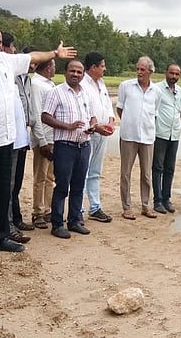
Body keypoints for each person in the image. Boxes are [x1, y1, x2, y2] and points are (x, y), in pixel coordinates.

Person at [0, 25, 76, 260]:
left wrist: (54, 54)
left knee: (2, 193)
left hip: (5, 141)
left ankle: (0, 237)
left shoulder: (6, 63)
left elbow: (32, 57)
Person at [41, 60, 103, 238]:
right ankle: (57, 224)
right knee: (62, 186)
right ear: (65, 72)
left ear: (83, 74)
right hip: (65, 146)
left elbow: (92, 116)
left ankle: (75, 220)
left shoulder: (86, 93)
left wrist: (93, 125)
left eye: (79, 72)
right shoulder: (56, 92)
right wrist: (67, 126)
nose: (75, 74)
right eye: (72, 71)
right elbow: (45, 116)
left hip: (84, 145)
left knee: (78, 185)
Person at [117, 56, 161, 220]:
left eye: (143, 70)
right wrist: (130, 122)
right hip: (128, 136)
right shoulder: (126, 86)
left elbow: (154, 114)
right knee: (126, 173)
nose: (139, 72)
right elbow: (120, 109)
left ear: (151, 71)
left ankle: (145, 205)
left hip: (148, 137)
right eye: (138, 69)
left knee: (146, 174)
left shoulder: (156, 91)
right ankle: (126, 206)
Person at [82, 52, 116, 223]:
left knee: (95, 171)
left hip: (103, 132)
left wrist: (110, 121)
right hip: (89, 133)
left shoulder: (101, 83)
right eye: (102, 66)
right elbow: (84, 108)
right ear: (93, 67)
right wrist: (96, 126)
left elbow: (108, 106)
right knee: (83, 171)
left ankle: (95, 207)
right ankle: (78, 209)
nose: (104, 68)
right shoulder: (82, 84)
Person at [7, 35, 36, 232]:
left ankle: (15, 217)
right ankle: (7, 222)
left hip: (22, 136)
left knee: (16, 182)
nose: (33, 65)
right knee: (7, 184)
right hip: (9, 138)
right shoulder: (11, 77)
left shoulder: (27, 81)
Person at [152, 63, 181, 214]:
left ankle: (166, 198)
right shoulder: (156, 89)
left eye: (177, 74)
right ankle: (157, 200)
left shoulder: (180, 91)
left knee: (170, 168)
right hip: (160, 134)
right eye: (171, 73)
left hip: (175, 134)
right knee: (157, 167)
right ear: (166, 72)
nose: (174, 77)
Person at [29, 57, 56, 229]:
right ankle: (37, 211)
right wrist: (42, 141)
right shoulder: (37, 85)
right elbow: (37, 114)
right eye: (53, 66)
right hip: (43, 138)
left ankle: (47, 209)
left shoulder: (49, 84)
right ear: (47, 68)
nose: (55, 69)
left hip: (52, 137)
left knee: (49, 176)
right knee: (40, 176)